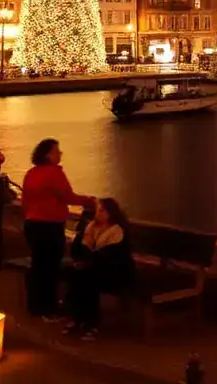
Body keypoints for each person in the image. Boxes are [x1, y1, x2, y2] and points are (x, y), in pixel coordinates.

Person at [22, 139, 94, 320]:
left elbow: (25, 201)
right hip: (49, 225)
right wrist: (89, 201)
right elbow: (67, 196)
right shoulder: (53, 173)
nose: (60, 154)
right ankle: (49, 309)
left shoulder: (31, 173)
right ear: (48, 154)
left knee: (38, 266)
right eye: (57, 151)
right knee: (50, 268)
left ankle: (35, 307)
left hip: (32, 224)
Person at [64, 198, 134, 340]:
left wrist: (87, 262)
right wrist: (80, 237)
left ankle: (91, 324)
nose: (98, 214)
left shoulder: (117, 232)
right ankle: (77, 318)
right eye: (97, 211)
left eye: (102, 211)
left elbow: (109, 258)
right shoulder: (92, 228)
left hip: (117, 273)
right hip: (96, 268)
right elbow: (80, 251)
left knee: (88, 278)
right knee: (76, 273)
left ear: (110, 213)